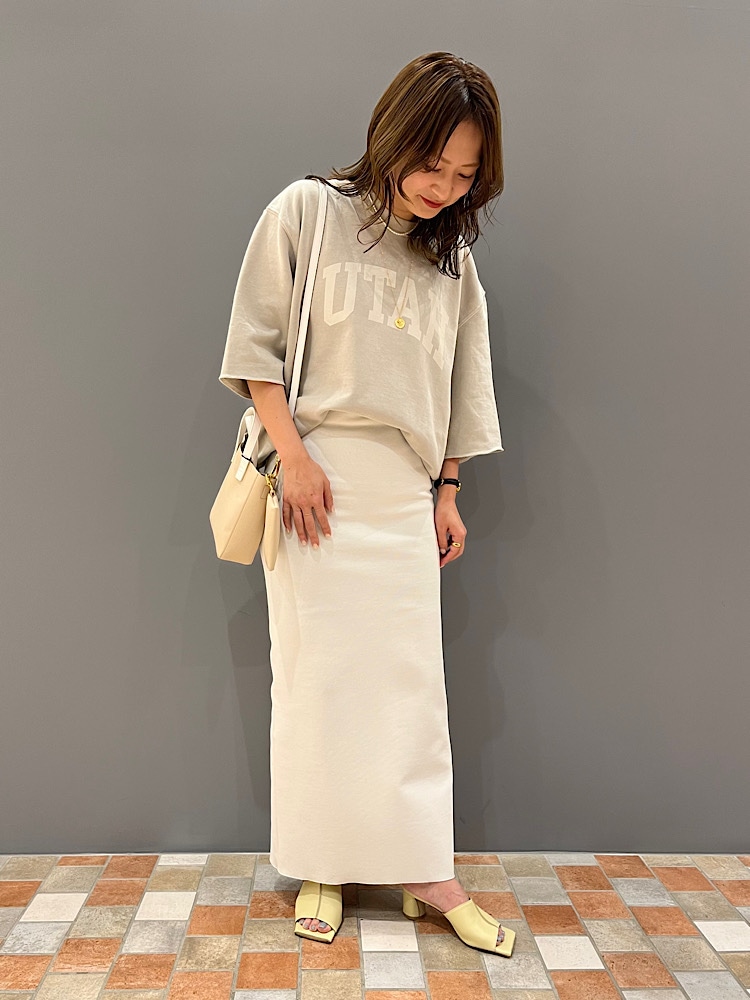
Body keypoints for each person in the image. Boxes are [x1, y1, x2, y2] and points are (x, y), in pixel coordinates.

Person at [217, 51, 513, 958]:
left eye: (463, 175)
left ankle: (425, 868)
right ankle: (324, 864)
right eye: (431, 163)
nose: (442, 187)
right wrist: (296, 458)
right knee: (317, 679)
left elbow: (462, 385)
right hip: (314, 480)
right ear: (394, 134)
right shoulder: (307, 211)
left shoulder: (452, 261)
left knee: (410, 690)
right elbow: (256, 347)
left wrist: (448, 490)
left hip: (403, 491)